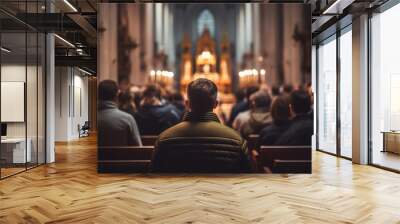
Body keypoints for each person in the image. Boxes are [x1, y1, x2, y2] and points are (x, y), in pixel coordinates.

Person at [151, 78, 252, 173]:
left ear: (187, 103)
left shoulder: (164, 139)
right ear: (216, 104)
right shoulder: (236, 140)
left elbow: (154, 176)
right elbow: (247, 177)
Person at [98, 80, 142, 146]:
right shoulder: (127, 119)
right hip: (122, 156)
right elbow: (138, 147)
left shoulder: (89, 118)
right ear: (117, 95)